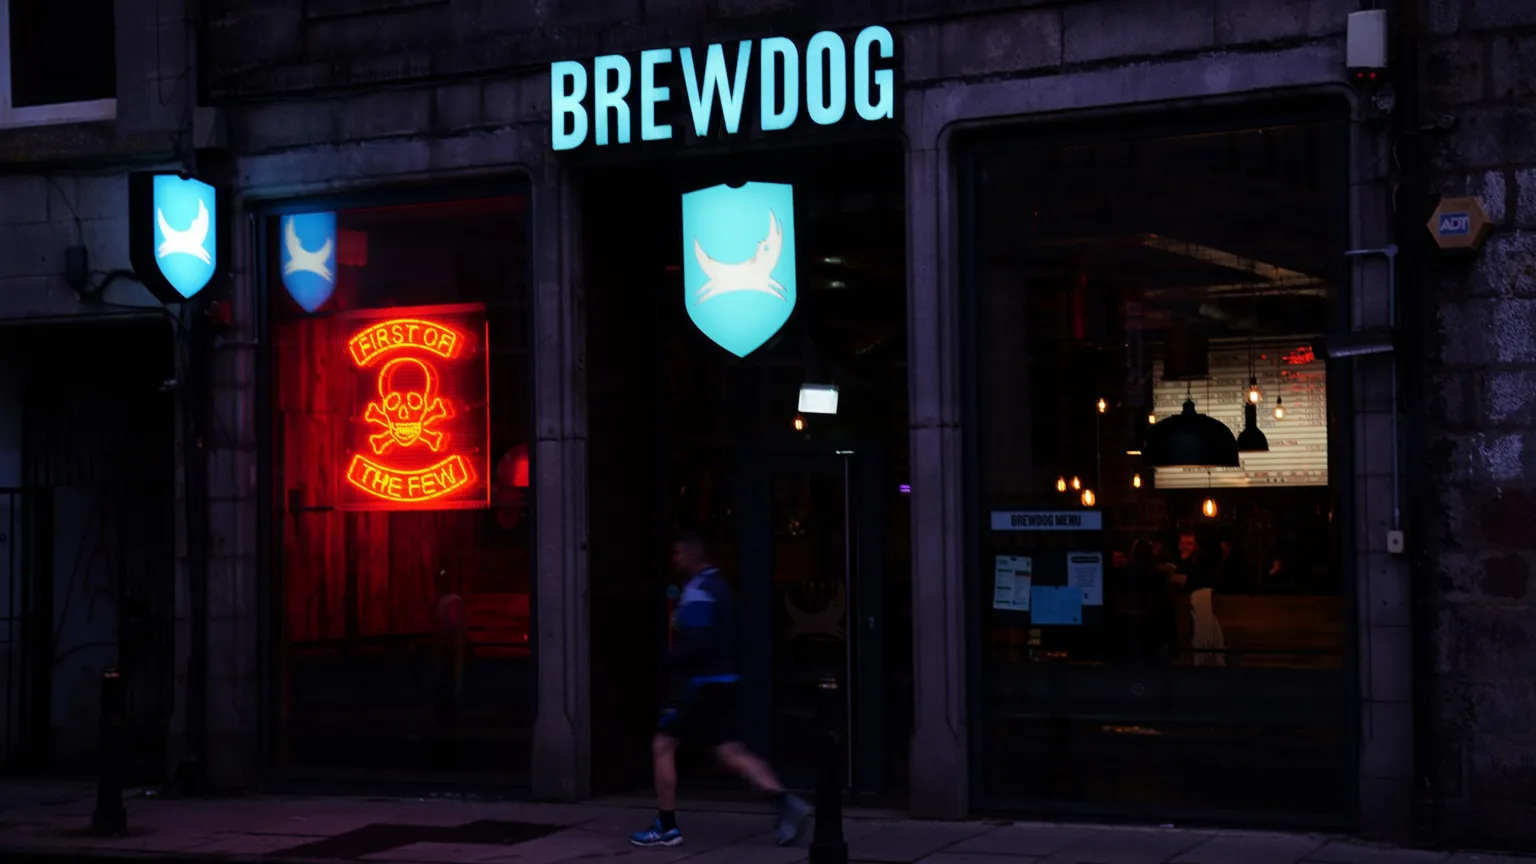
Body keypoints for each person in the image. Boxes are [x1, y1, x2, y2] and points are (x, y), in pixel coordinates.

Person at [630, 531, 811, 848]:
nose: (674, 559)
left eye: (678, 553)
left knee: (663, 745)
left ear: (692, 555)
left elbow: (698, 642)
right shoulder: (719, 586)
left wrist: (668, 661)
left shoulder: (699, 590)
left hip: (702, 686)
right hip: (723, 683)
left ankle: (666, 825)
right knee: (730, 751)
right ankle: (786, 804)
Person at [1160, 529, 1226, 667]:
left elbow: (1203, 581)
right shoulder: (1173, 560)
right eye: (1182, 543)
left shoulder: (1202, 561)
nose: (1184, 547)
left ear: (1196, 546)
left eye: (1189, 544)